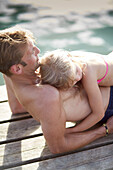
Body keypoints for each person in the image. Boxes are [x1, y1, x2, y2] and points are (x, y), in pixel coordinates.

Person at [0, 26, 113, 154]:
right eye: (31, 52)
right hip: (108, 105)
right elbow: (58, 147)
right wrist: (105, 129)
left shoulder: (9, 73)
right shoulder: (47, 95)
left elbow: (18, 109)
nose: (38, 50)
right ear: (17, 69)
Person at [39, 49, 113, 132]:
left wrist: (72, 130)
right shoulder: (70, 58)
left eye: (76, 71)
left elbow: (98, 114)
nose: (78, 78)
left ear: (69, 57)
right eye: (73, 81)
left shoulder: (88, 73)